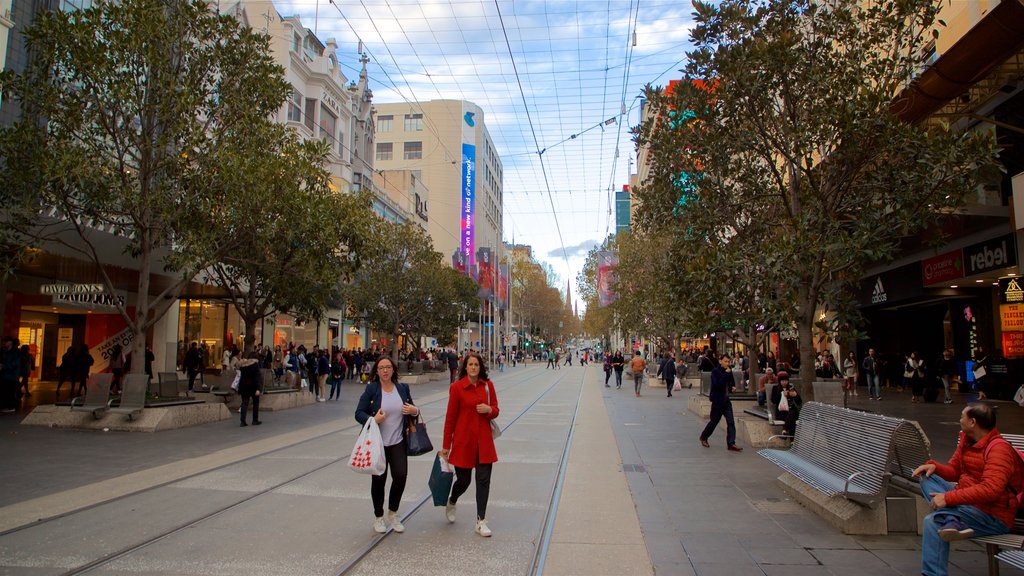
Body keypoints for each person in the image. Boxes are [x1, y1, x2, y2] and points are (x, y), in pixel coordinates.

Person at [912, 403, 1020, 576]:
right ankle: (951, 518)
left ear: (972, 422)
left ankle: (934, 570)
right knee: (926, 477)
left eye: (962, 416)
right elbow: (954, 471)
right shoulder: (967, 441)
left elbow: (991, 490)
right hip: (967, 504)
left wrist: (948, 498)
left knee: (932, 522)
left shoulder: (999, 450)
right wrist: (933, 467)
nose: (959, 419)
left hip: (991, 516)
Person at [355, 356, 419, 534]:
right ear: (377, 371)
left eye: (388, 367)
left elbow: (412, 410)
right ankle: (378, 516)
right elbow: (358, 413)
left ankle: (392, 512)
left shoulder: (402, 388)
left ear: (393, 370)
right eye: (381, 367)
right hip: (378, 444)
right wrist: (373, 419)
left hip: (398, 441)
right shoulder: (372, 389)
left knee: (400, 475)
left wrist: (415, 410)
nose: (385, 370)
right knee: (379, 480)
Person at [440, 352, 499, 538]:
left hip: (484, 442)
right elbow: (450, 418)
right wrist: (445, 446)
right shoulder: (457, 388)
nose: (473, 367)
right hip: (464, 442)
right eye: (470, 364)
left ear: (481, 367)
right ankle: (452, 499)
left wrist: (489, 410)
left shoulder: (488, 386)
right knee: (463, 481)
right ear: (465, 367)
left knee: (483, 481)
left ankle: (481, 521)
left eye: (476, 364)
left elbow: (496, 409)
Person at [699, 353, 742, 452]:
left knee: (731, 422)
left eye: (728, 361)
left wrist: (732, 388)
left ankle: (731, 443)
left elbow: (730, 383)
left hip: (726, 400)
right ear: (720, 361)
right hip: (717, 401)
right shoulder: (715, 372)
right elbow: (718, 384)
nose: (727, 363)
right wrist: (726, 374)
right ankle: (704, 436)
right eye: (725, 361)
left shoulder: (729, 371)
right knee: (714, 421)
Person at [770, 371, 801, 438]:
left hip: (791, 410)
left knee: (792, 412)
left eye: (786, 380)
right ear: (779, 381)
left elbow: (799, 402)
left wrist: (795, 395)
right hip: (781, 411)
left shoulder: (791, 388)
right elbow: (773, 400)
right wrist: (781, 395)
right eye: (782, 381)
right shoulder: (775, 388)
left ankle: (785, 430)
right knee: (791, 418)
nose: (784, 382)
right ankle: (792, 440)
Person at [237, 352, 262, 427]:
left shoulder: (243, 365)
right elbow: (257, 377)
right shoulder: (255, 365)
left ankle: (242, 421)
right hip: (253, 386)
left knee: (244, 403)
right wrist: (258, 388)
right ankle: (255, 420)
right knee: (255, 403)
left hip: (243, 386)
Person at [1, 337, 20, 413]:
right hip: (7, 375)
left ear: (10, 343)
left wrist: (4, 366)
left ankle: (11, 407)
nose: (4, 343)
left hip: (11, 376)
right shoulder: (6, 352)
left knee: (10, 392)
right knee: (7, 391)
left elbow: (15, 364)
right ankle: (8, 406)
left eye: (6, 341)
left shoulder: (14, 353)